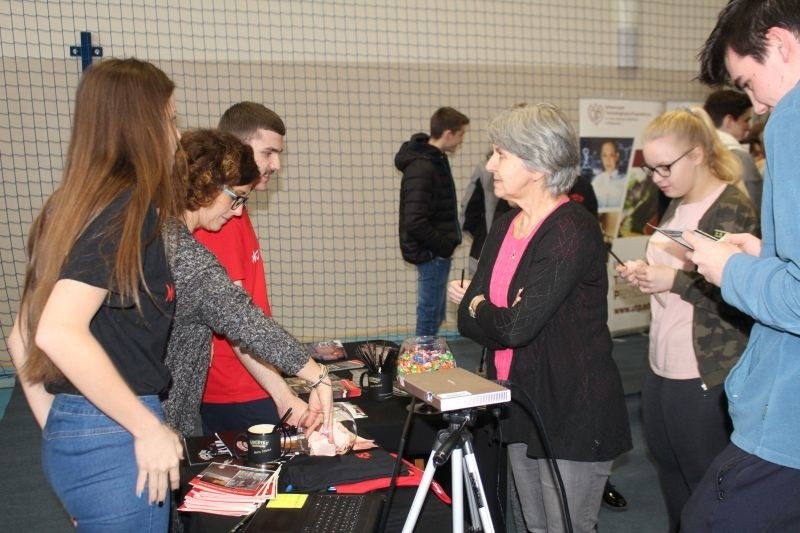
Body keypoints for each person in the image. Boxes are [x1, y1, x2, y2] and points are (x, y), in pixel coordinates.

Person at [5, 58, 185, 531]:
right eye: (170, 120)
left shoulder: (68, 206)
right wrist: (145, 429)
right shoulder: (129, 208)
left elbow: (20, 336)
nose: (176, 135)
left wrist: (65, 435)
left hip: (76, 427)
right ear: (142, 126)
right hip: (118, 430)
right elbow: (57, 332)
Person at [456, 104, 631, 533]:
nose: (489, 164)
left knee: (565, 528)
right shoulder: (505, 225)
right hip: (518, 400)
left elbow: (516, 326)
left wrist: (482, 306)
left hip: (572, 405)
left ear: (537, 165)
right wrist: (486, 308)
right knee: (533, 526)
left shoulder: (571, 228)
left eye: (501, 154)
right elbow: (466, 318)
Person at [162, 128, 334, 533]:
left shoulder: (160, 237)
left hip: (164, 419)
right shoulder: (185, 254)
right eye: (236, 197)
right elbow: (244, 321)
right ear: (206, 186)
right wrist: (316, 374)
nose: (239, 211)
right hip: (153, 421)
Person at [680, 1, 800, 530]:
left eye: (749, 83)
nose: (759, 104)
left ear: (781, 43)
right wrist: (763, 257)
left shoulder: (792, 117)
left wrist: (731, 270)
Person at [616, 107, 758, 532]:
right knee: (669, 471)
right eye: (651, 168)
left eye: (665, 167)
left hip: (704, 369)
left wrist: (672, 280)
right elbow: (676, 274)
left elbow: (738, 297)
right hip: (663, 363)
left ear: (697, 154)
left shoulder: (731, 207)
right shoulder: (679, 200)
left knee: (705, 482)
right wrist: (646, 274)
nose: (658, 177)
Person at [193, 102, 299, 435]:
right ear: (238, 148)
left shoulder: (235, 207)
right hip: (237, 391)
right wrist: (284, 395)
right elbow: (236, 319)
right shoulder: (220, 219)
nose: (276, 164)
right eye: (268, 152)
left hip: (248, 384)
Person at [397, 106, 469, 336]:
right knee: (429, 315)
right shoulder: (423, 166)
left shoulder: (435, 160)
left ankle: (429, 364)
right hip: (432, 254)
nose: (461, 140)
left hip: (437, 253)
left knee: (435, 314)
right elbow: (415, 220)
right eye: (461, 134)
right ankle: (423, 368)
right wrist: (443, 246)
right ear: (448, 133)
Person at [703, 89, 763, 210]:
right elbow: (755, 208)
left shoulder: (695, 152)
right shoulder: (740, 159)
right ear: (729, 121)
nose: (749, 127)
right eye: (746, 120)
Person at [592, 140, 628, 209]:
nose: (608, 160)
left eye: (611, 155)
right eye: (604, 156)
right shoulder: (596, 181)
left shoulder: (625, 180)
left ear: (617, 156)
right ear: (601, 157)